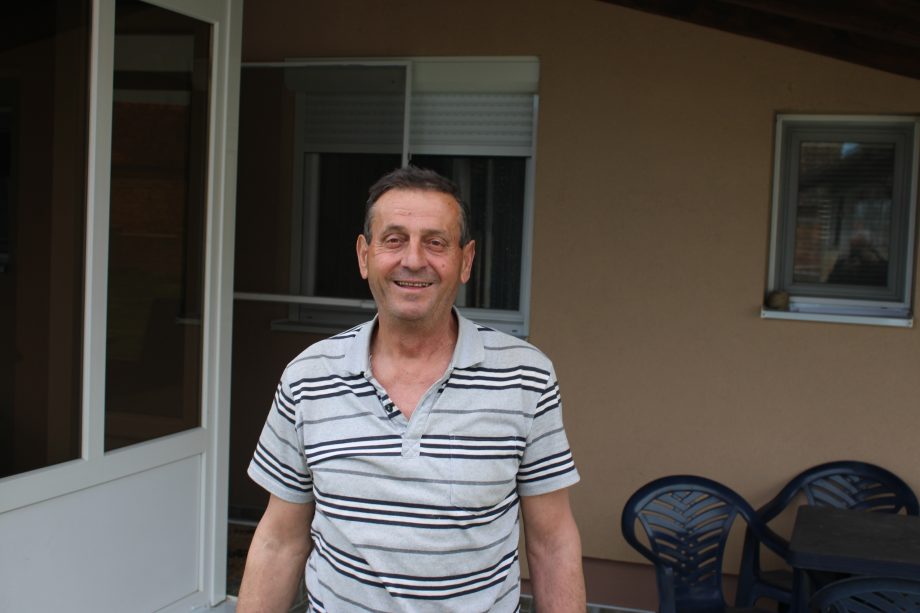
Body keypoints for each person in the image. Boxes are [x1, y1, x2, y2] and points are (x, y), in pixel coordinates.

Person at [238, 166, 585, 612]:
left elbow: (552, 543)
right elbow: (279, 542)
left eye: (436, 242)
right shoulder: (307, 377)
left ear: (466, 260)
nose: (414, 260)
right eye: (394, 239)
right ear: (365, 256)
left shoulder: (526, 377)